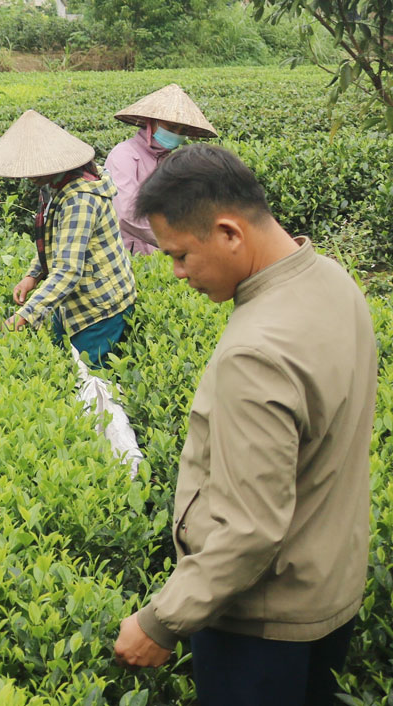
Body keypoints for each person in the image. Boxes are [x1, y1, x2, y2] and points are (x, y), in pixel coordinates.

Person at [113, 144, 378, 706]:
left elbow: (250, 529)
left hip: (262, 626)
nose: (179, 273)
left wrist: (161, 622)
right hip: (330, 593)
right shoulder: (333, 281)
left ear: (230, 233)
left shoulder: (255, 352)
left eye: (181, 255)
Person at [0, 109, 136, 368]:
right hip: (73, 303)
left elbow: (68, 272)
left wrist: (24, 317)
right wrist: (33, 274)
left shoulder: (79, 199)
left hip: (99, 310)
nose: (27, 174)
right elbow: (55, 239)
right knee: (66, 370)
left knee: (88, 382)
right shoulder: (53, 184)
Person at [104, 84, 217, 255]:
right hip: (129, 253)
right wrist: (172, 240)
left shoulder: (171, 161)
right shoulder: (124, 155)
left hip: (163, 253)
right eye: (171, 127)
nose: (176, 134)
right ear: (151, 122)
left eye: (182, 131)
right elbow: (126, 214)